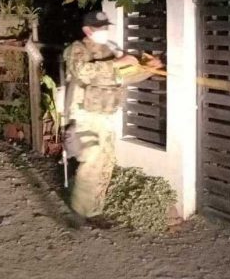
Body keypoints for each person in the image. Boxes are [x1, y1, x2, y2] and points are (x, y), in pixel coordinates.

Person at [62, 11, 162, 218]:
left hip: (105, 113)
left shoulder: (112, 50)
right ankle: (82, 212)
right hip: (84, 113)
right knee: (92, 159)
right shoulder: (77, 49)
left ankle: (93, 209)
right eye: (99, 28)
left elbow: (125, 77)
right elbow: (83, 72)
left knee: (105, 162)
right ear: (87, 30)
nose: (104, 31)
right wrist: (118, 63)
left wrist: (148, 69)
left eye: (105, 27)